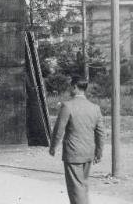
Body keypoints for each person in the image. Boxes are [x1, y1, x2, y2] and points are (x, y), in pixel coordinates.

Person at [49, 76, 104, 204]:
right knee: (83, 186)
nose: (69, 89)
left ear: (74, 87)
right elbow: (101, 133)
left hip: (73, 153)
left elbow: (58, 130)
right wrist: (99, 152)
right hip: (88, 153)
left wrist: (53, 147)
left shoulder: (67, 106)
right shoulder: (95, 108)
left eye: (70, 86)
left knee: (75, 189)